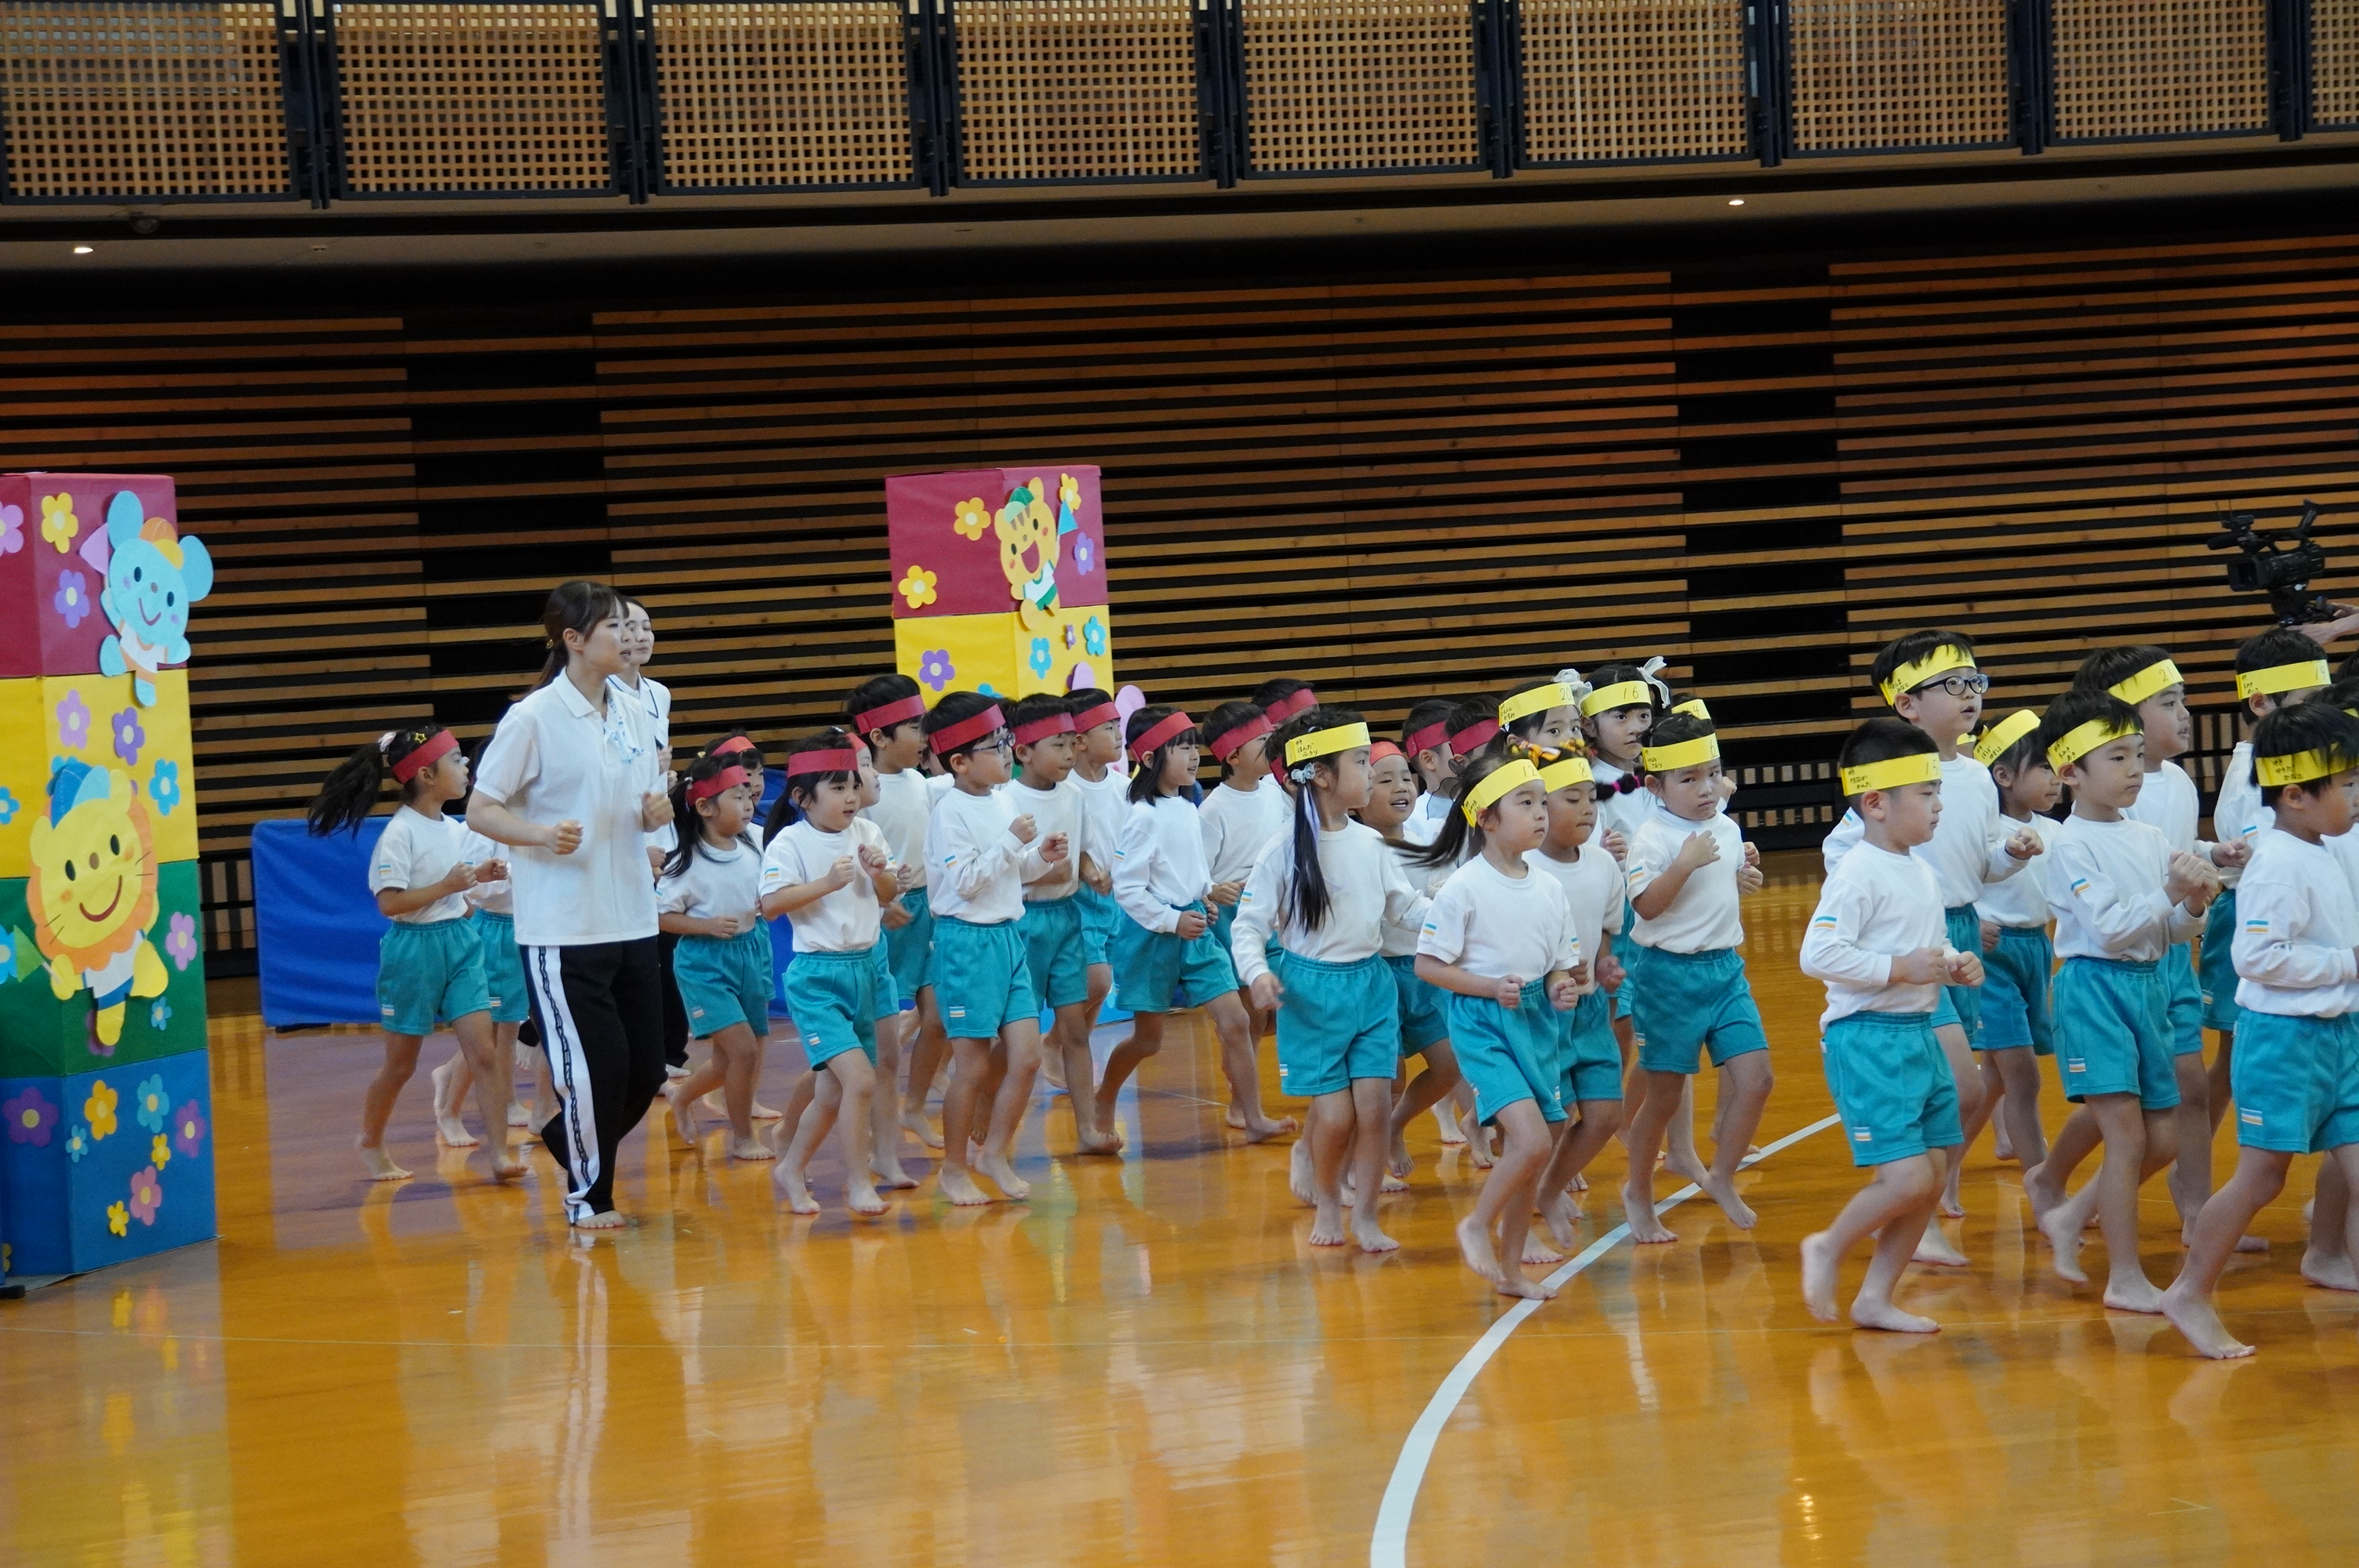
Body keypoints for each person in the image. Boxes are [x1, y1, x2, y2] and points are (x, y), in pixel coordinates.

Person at [464, 580, 676, 1230]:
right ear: (574, 640)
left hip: (634, 917)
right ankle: (589, 1197)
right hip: (564, 929)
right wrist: (538, 835)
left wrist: (656, 812)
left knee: (646, 1069)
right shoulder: (532, 718)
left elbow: (645, 802)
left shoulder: (637, 710)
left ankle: (570, 1140)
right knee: (595, 1071)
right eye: (614, 627)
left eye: (631, 626)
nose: (629, 636)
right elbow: (481, 809)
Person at [2160, 701, 2359, 1356]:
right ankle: (2189, 1291)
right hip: (2283, 1043)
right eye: (2348, 783)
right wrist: (2348, 963)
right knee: (2261, 1179)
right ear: (2296, 795)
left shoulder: (2320, 849)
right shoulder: (2276, 863)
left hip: (2339, 1036)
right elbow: (2258, 958)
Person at [1823, 630, 2040, 1225]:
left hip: (1961, 936)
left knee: (1952, 1089)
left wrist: (2010, 855)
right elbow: (1843, 853)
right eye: (1951, 684)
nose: (1969, 693)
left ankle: (1934, 1193)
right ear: (1907, 704)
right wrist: (1897, 909)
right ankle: (1907, 1197)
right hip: (1916, 945)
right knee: (1962, 1086)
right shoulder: (1890, 779)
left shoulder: (1976, 776)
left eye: (1974, 681)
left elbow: (1979, 865)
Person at [2022, 688, 2219, 1309]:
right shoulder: (2070, 844)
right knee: (2128, 1137)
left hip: (2149, 985)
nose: (2135, 768)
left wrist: (2193, 905)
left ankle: (2070, 1215)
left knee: (2165, 1137)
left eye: (2137, 753)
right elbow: (2109, 929)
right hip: (2095, 991)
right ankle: (2124, 1277)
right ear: (2070, 773)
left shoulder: (2150, 835)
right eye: (2117, 757)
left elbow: (2169, 930)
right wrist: (2171, 893)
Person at [1797, 718, 1980, 1332]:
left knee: (1931, 1177)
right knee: (1906, 1178)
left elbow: (1924, 946)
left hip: (1917, 1034)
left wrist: (1953, 964)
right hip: (1869, 1039)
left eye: (1938, 791)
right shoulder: (1857, 871)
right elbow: (1818, 954)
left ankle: (1875, 1297)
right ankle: (1827, 1246)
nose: (1939, 805)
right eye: (1926, 793)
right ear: (1876, 803)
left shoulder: (1919, 870)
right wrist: (1898, 968)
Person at [2073, 646, 2254, 1242]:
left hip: (2173, 952)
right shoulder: (2112, 795)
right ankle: (2060, 1185)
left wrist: (2210, 853)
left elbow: (2169, 849)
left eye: (2184, 700)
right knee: (2129, 1100)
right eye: (2169, 702)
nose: (2185, 714)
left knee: (2189, 1090)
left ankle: (2197, 1209)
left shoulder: (2175, 779)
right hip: (2125, 960)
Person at [1235, 709, 1424, 1252]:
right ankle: (1326, 1203)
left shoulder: (1372, 844)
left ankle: (1365, 1216)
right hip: (1312, 994)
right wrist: (1258, 974)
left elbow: (1405, 908)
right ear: (1320, 775)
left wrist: (1461, 916)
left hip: (1372, 987)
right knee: (1336, 1117)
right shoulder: (1282, 849)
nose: (1371, 773)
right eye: (1361, 763)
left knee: (1375, 1109)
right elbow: (1248, 927)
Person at [307, 724, 522, 1181]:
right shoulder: (399, 833)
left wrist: (479, 876)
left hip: (461, 945)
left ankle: (501, 1156)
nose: (467, 766)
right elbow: (390, 904)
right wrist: (448, 885)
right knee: (401, 1065)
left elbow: (455, 891)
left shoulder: (454, 828)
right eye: (456, 759)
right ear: (426, 774)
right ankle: (371, 1139)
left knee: (484, 1053)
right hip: (413, 951)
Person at [1413, 751, 1580, 1298]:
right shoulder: (1463, 887)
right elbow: (1427, 966)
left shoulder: (1549, 887)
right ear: (1485, 818)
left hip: (1535, 1020)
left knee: (1536, 1146)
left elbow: (1560, 962)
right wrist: (1489, 988)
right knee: (1530, 1142)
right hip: (1484, 1023)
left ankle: (1510, 1272)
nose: (1540, 813)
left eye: (1542, 802)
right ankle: (1475, 1224)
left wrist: (1559, 985)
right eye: (1525, 803)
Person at [1095, 706, 1296, 1145]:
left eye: (1193, 747)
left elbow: (1190, 868)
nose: (1193, 756)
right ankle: (1104, 1097)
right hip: (1152, 939)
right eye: (1181, 748)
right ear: (1150, 759)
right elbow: (1127, 888)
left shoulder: (1187, 806)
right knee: (1148, 1041)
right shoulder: (1142, 816)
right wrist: (1171, 919)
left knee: (1237, 1020)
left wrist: (1204, 895)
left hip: (1196, 930)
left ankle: (1252, 1116)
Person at [1617, 709, 1774, 1241]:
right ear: (1656, 787)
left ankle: (1722, 1174)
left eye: (1713, 773)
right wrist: (1684, 863)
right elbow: (1647, 907)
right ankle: (1639, 1191)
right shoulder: (1652, 838)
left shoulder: (1725, 826)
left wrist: (1741, 876)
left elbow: (1719, 883)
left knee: (1757, 1079)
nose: (1706, 788)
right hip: (1668, 977)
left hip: (1725, 970)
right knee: (1663, 1097)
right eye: (1689, 779)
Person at [924, 691, 1064, 1203]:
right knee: (974, 1067)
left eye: (1006, 740)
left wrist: (1039, 857)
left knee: (1026, 1057)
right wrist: (1010, 842)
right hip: (967, 944)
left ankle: (995, 1153)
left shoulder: (1002, 800)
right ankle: (953, 1169)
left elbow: (1011, 872)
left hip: (1008, 938)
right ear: (960, 762)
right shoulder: (949, 812)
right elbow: (965, 883)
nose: (1007, 752)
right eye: (995, 745)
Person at [761, 731, 903, 1215]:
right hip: (817, 978)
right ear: (803, 798)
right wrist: (826, 882)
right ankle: (859, 1183)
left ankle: (791, 1166)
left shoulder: (867, 832)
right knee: (860, 1081)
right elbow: (771, 905)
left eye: (853, 786)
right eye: (837, 788)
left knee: (831, 1092)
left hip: (866, 969)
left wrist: (882, 875)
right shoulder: (789, 842)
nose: (850, 797)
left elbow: (888, 895)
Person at [2203, 630, 2335, 1131]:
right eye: (2309, 700)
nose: (2322, 714)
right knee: (2243, 1053)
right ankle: (2201, 1157)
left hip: (2281, 915)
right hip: (2251, 920)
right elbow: (2272, 861)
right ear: (2261, 703)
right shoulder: (2254, 778)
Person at [1009, 695, 1121, 1155]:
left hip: (1067, 918)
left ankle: (1087, 1129)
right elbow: (1002, 868)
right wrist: (1042, 872)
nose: (1070, 754)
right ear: (1023, 752)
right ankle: (988, 1114)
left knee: (1075, 1031)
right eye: (1058, 745)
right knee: (1012, 1036)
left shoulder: (1074, 796)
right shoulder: (1007, 799)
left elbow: (1084, 850)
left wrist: (1091, 871)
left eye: (1072, 743)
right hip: (1024, 923)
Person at [1527, 746, 1627, 1258]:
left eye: (1592, 798)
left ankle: (1548, 1187)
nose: (1588, 808)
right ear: (1540, 807)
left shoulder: (1604, 865)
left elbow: (1605, 930)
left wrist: (1605, 965)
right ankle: (1526, 1198)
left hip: (1587, 1009)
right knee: (1550, 1117)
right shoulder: (1524, 869)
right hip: (1541, 1012)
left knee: (1606, 1113)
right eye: (1573, 798)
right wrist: (1555, 972)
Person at [847, 673, 948, 1152]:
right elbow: (854, 858)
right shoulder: (860, 794)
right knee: (872, 1035)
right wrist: (883, 901)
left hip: (925, 912)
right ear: (879, 737)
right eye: (914, 726)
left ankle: (914, 1107)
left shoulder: (919, 781)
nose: (925, 735)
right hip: (883, 919)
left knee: (940, 1018)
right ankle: (864, 1118)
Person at [656, 752, 773, 1163]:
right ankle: (742, 1138)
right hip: (704, 964)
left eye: (748, 794)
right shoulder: (685, 862)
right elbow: (661, 917)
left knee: (730, 1060)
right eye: (737, 796)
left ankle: (681, 1096)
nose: (748, 803)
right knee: (744, 1052)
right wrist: (705, 926)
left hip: (749, 952)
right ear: (705, 807)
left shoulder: (755, 844)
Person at [1357, 741, 1467, 1179]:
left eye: (1406, 777)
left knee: (1450, 1063)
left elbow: (1450, 890)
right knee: (1390, 1077)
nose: (1401, 786)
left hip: (1424, 970)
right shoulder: (1358, 848)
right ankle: (1377, 1146)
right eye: (1385, 780)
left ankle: (1396, 1124)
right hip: (1378, 973)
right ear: (1359, 794)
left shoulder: (1428, 841)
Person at [1968, 710, 2055, 1170]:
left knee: (1996, 1079)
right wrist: (1971, 923)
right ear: (2003, 776)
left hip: (2037, 952)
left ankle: (1948, 1167)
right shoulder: (1982, 833)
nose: (2057, 776)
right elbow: (1953, 884)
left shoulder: (2056, 831)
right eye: (2043, 766)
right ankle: (2043, 1179)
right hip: (1994, 958)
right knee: (2023, 1076)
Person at [612, 597, 685, 1078]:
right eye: (629, 627)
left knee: (659, 945)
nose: (640, 636)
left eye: (647, 627)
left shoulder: (659, 693)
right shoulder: (602, 692)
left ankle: (660, 1054)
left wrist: (664, 777)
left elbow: (654, 764)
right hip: (624, 830)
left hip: (660, 821)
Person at [1198, 699, 1289, 1047]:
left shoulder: (1274, 792)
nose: (1272, 745)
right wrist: (1212, 889)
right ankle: (1240, 1071)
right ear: (1234, 756)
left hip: (1274, 906)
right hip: (1233, 915)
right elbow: (1197, 871)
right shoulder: (1213, 809)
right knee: (1253, 1012)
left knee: (1282, 1003)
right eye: (1262, 740)